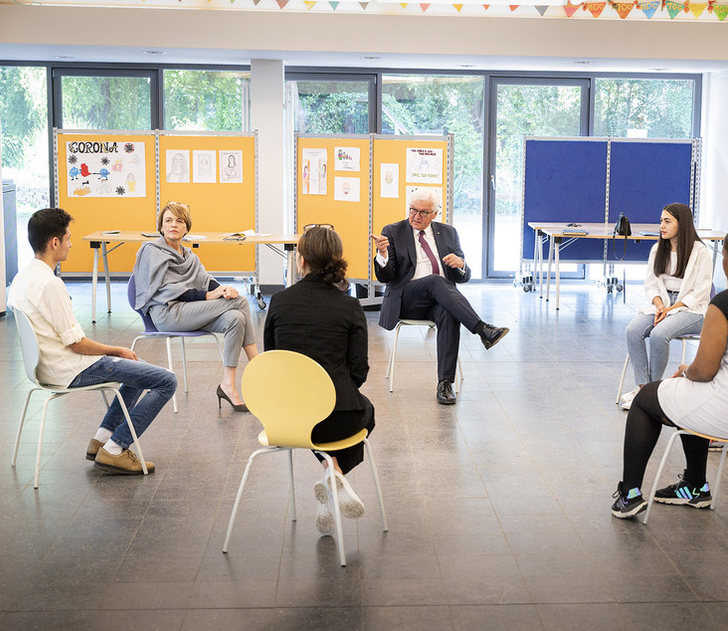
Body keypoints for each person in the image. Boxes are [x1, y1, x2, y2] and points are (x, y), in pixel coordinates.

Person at [611, 225, 728, 519]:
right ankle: (694, 487)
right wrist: (693, 373)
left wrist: (688, 370)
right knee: (687, 393)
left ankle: (629, 494)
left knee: (647, 397)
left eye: (724, 256)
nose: (722, 262)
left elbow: (704, 372)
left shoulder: (727, 301)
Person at [8, 208, 177, 476]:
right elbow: (77, 344)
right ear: (55, 243)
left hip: (46, 366)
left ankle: (102, 439)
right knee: (166, 380)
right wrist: (116, 350)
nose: (71, 244)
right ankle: (115, 448)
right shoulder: (50, 285)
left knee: (136, 367)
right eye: (68, 238)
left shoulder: (21, 278)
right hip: (70, 368)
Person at [263, 227, 375, 536]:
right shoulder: (350, 307)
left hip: (287, 420)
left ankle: (331, 475)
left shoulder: (280, 301)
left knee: (312, 412)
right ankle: (334, 474)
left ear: (301, 261)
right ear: (335, 261)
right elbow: (359, 371)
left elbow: (271, 361)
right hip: (339, 419)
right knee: (365, 412)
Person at [370, 189, 509, 405]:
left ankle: (445, 384)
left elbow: (462, 278)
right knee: (435, 280)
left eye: (423, 212)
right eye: (413, 210)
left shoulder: (448, 233)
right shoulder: (393, 231)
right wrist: (382, 255)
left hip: (439, 300)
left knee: (448, 312)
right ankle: (482, 329)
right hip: (407, 299)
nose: (416, 216)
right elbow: (386, 277)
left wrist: (461, 265)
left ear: (435, 213)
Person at [133, 202, 258, 411]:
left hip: (189, 312)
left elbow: (205, 280)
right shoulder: (151, 251)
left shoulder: (189, 256)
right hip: (166, 314)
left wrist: (224, 290)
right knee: (241, 302)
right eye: (168, 221)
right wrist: (210, 295)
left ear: (186, 228)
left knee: (236, 318)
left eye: (179, 221)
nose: (174, 225)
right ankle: (259, 368)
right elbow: (164, 290)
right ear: (161, 227)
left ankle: (227, 385)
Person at [620, 203, 714, 410]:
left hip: (692, 309)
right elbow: (651, 284)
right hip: (663, 304)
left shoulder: (700, 252)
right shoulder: (657, 249)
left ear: (683, 224)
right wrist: (660, 305)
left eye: (667, 221)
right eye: (661, 221)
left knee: (658, 334)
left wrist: (671, 309)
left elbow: (701, 291)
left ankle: (653, 391)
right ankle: (643, 388)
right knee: (633, 330)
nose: (661, 226)